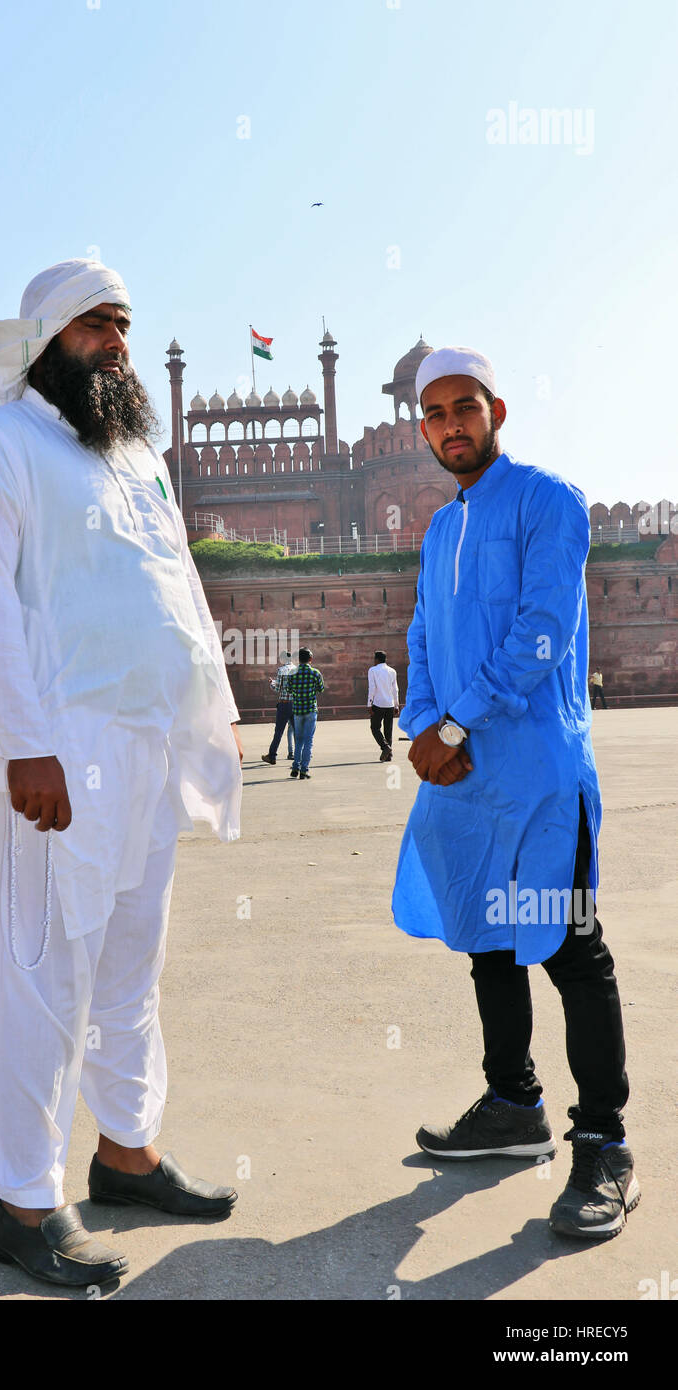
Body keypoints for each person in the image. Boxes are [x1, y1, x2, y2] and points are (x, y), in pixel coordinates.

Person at [0, 258, 243, 1290]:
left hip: (148, 743)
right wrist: (24, 744)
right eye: (92, 325)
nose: (114, 341)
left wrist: (219, 714)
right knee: (42, 976)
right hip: (60, 752)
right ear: (42, 339)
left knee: (128, 968)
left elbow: (180, 586)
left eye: (121, 324)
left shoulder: (136, 458)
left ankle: (126, 1151)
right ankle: (25, 1202)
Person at [392, 346, 637, 1241]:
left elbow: (543, 632)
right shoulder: (440, 528)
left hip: (533, 768)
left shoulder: (547, 500)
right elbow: (421, 630)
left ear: (496, 410)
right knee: (488, 940)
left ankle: (605, 1145)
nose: (451, 425)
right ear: (422, 428)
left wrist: (453, 724)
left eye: (465, 407)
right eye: (435, 414)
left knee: (570, 948)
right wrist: (426, 725)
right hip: (459, 775)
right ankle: (512, 1106)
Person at [286, 647, 325, 780]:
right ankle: (304, 770)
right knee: (308, 740)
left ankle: (295, 768)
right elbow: (321, 688)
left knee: (299, 740)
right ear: (310, 659)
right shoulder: (315, 673)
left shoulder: (292, 672)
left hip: (297, 710)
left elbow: (288, 689)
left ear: (299, 659)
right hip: (310, 710)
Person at [261, 650, 296, 765]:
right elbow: (287, 684)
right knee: (297, 731)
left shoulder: (281, 670)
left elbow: (279, 688)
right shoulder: (296, 669)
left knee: (279, 731)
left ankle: (272, 756)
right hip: (295, 704)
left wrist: (272, 683)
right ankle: (298, 756)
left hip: (284, 704)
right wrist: (276, 682)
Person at [367, 650, 399, 762]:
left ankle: (385, 747)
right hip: (390, 704)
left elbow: (372, 688)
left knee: (375, 728)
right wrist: (396, 705)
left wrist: (369, 704)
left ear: (377, 659)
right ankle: (389, 755)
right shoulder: (392, 671)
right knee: (388, 730)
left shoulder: (373, 670)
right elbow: (395, 689)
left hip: (378, 703)